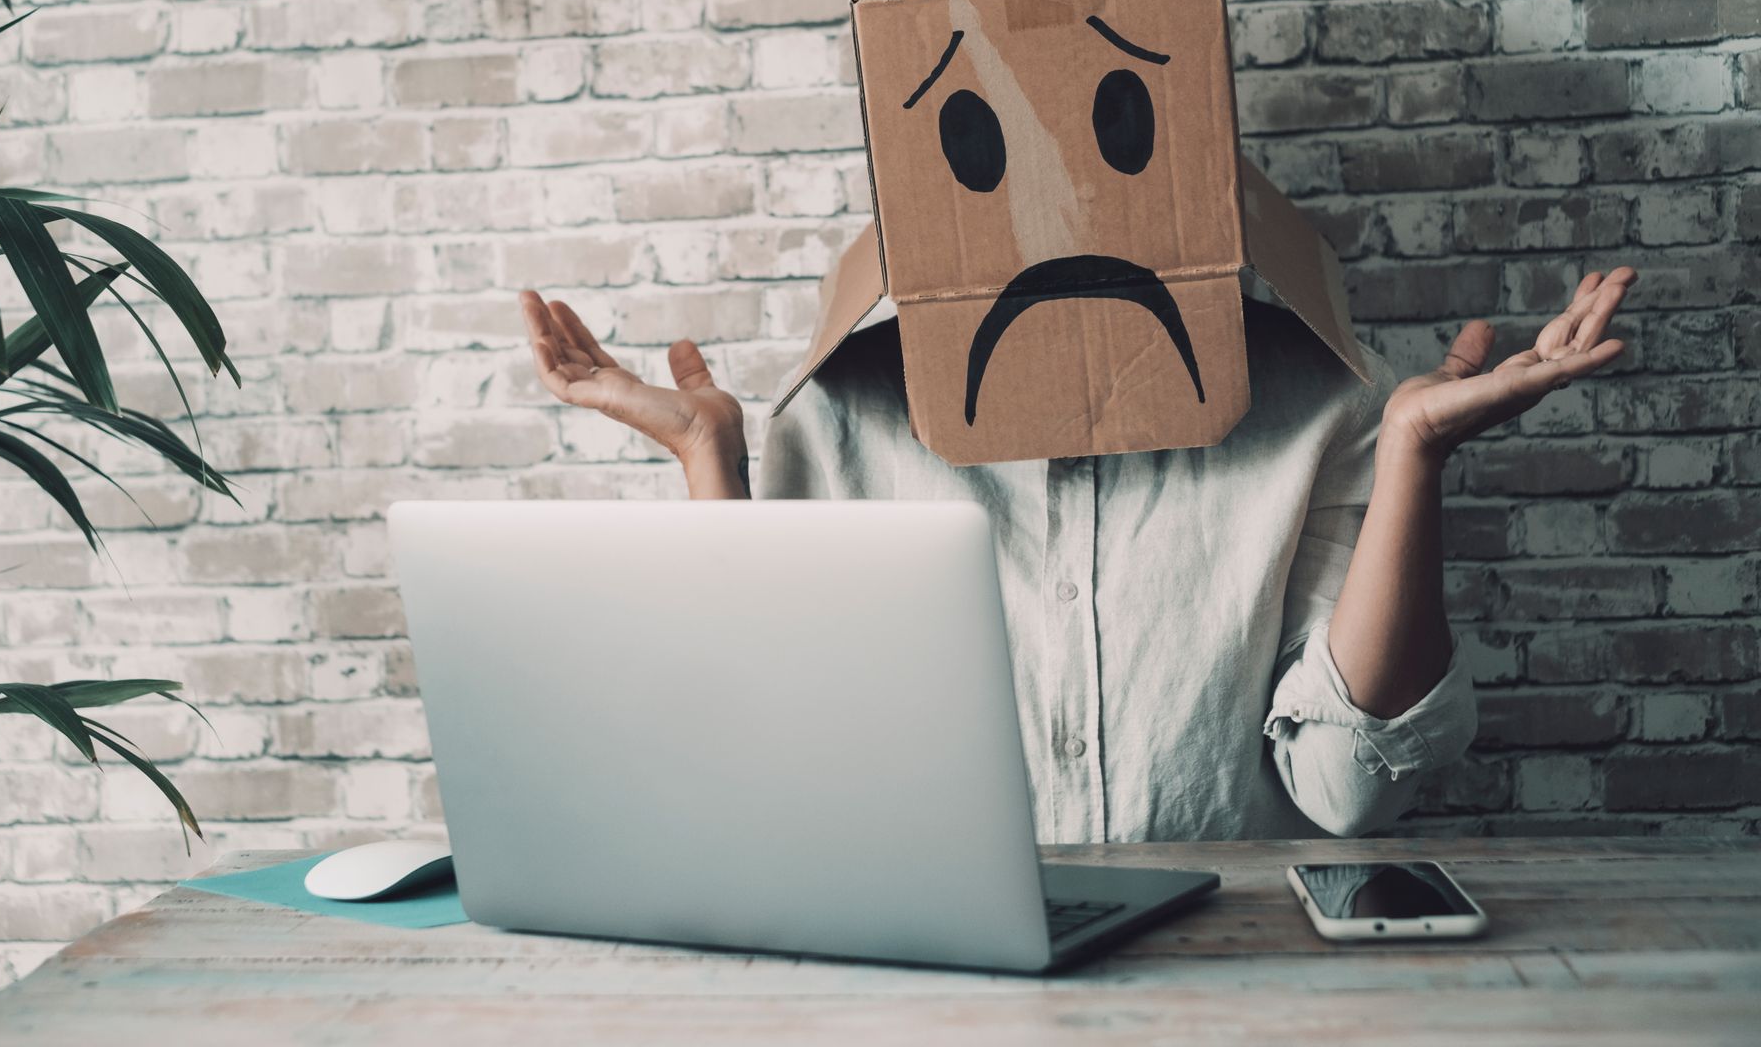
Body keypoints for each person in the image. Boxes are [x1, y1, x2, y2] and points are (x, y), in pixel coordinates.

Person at [517, 267, 1636, 842]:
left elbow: (1347, 792)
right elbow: (771, 791)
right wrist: (713, 460)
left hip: (1239, 987)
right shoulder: (839, 416)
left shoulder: (1319, 403)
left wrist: (1412, 454)